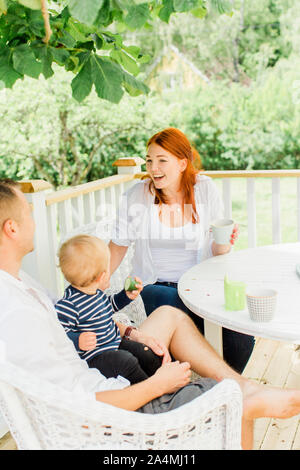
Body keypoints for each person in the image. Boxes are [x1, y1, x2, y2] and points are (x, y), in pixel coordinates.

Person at [1, 178, 300, 451]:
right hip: (115, 413)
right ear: (11, 228)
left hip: (101, 371)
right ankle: (243, 393)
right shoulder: (15, 313)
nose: (34, 220)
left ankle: (244, 385)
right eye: (28, 212)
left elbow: (84, 320)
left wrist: (131, 332)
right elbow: (77, 408)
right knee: (235, 403)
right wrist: (159, 385)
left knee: (170, 315)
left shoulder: (19, 283)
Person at [109, 127, 254, 374]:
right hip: (155, 286)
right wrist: (92, 286)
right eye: (149, 161)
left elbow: (217, 249)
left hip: (199, 284)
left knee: (239, 334)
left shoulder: (204, 189)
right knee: (180, 307)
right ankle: (214, 382)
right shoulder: (138, 195)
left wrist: (224, 242)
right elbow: (118, 245)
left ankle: (220, 388)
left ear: (182, 163)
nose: (153, 168)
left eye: (162, 161)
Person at [55, 234, 163, 384]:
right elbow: (57, 332)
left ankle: (161, 380)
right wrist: (77, 339)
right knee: (127, 362)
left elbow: (110, 306)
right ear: (101, 276)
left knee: (144, 353)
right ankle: (151, 391)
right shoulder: (69, 304)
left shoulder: (96, 293)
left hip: (114, 343)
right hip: (96, 357)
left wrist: (126, 296)